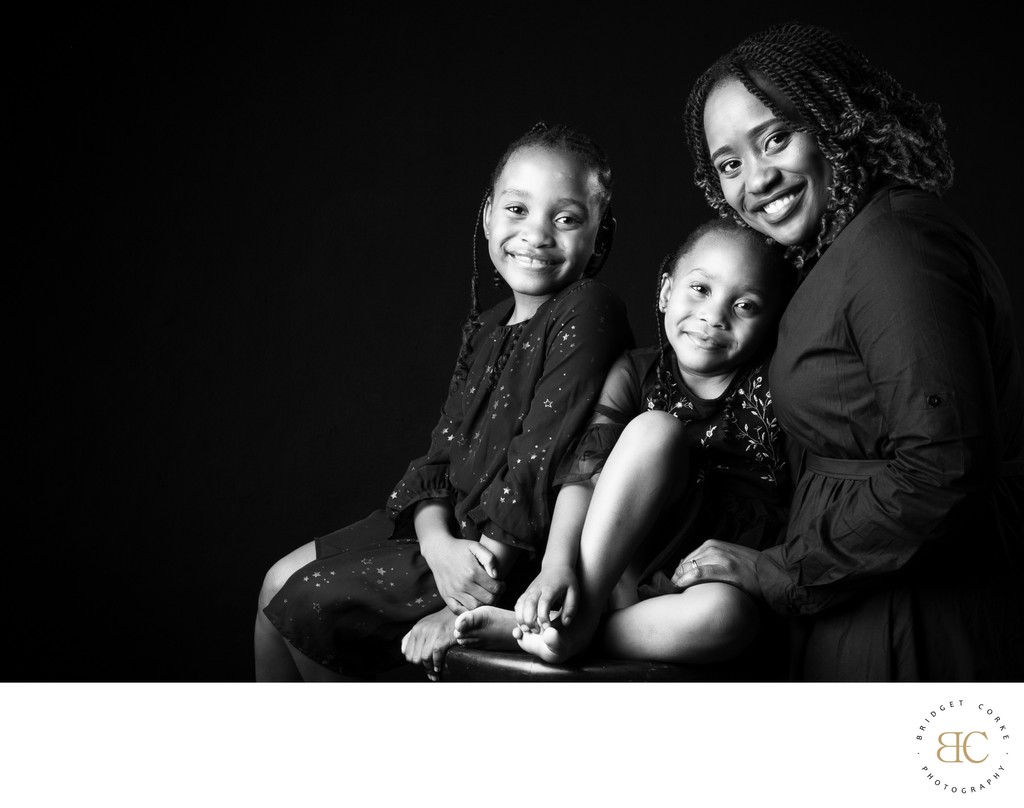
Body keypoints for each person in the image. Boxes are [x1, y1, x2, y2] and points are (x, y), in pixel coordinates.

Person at [675, 22, 1024, 681]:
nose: (758, 177)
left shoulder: (895, 245)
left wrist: (778, 569)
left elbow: (945, 465)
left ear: (837, 121)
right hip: (862, 606)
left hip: (917, 624)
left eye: (776, 137)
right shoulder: (843, 253)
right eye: (730, 163)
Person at [255, 122, 634, 681]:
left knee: (310, 602)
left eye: (566, 218)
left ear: (599, 238)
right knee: (273, 583)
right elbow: (438, 459)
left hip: (510, 549)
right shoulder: (484, 328)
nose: (536, 234)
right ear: (487, 215)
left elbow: (536, 468)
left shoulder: (587, 309)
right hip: (446, 532)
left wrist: (461, 601)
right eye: (517, 210)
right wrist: (435, 544)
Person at [455, 218, 794, 677]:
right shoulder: (635, 373)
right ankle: (581, 611)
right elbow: (584, 474)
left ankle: (565, 631)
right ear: (665, 291)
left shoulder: (777, 387)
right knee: (655, 430)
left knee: (724, 619)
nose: (715, 316)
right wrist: (556, 566)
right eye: (700, 289)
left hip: (709, 578)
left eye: (746, 305)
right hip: (624, 572)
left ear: (772, 321)